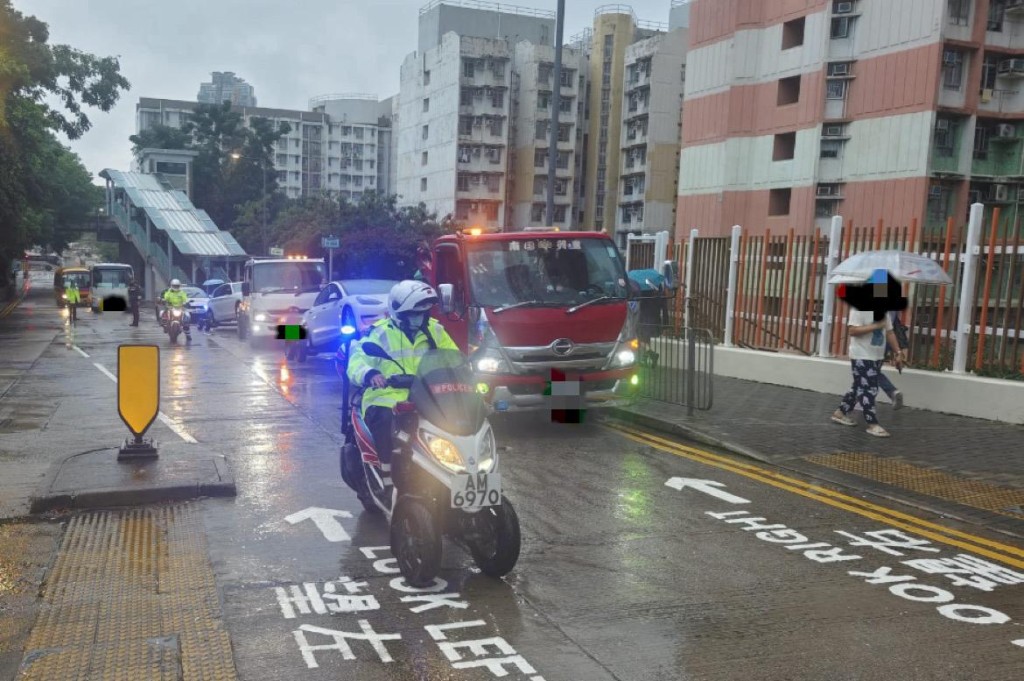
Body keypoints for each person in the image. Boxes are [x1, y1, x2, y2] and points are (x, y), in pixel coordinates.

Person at [347, 280, 459, 483]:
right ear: (399, 313)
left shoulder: (435, 331)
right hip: (386, 396)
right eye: (413, 313)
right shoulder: (380, 332)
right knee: (385, 420)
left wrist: (463, 373)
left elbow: (453, 357)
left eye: (423, 313)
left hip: (428, 395)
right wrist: (370, 374)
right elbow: (357, 360)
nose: (419, 318)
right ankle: (387, 475)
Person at [832, 303, 904, 437]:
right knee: (869, 389)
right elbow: (852, 330)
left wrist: (898, 352)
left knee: (858, 386)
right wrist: (875, 326)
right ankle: (872, 424)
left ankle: (840, 413)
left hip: (877, 356)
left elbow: (889, 332)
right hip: (861, 355)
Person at [877, 310, 908, 409]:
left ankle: (892, 391)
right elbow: (893, 326)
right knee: (869, 372)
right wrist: (898, 351)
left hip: (872, 342)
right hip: (885, 341)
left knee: (869, 371)